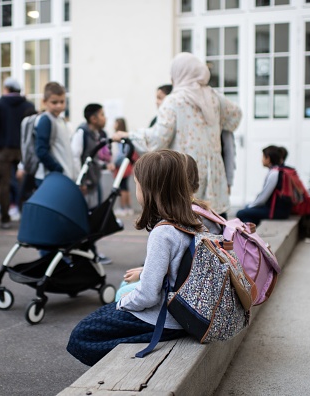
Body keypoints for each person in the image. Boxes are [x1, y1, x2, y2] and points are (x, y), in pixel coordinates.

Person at [67, 149, 198, 366]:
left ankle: (127, 364)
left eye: (137, 184)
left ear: (150, 190)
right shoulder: (191, 221)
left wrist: (121, 304)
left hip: (163, 319)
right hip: (181, 314)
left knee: (82, 335)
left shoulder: (162, 233)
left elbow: (147, 296)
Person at [114, 52, 242, 218]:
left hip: (185, 171)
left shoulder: (174, 101)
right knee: (214, 226)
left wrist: (129, 135)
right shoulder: (214, 97)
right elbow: (235, 117)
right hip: (214, 175)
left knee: (186, 223)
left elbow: (158, 139)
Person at [114, 153, 220, 301]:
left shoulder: (168, 228)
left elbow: (150, 293)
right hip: (194, 291)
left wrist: (142, 277)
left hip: (181, 297)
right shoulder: (197, 209)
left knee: (121, 292)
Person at [0, 77, 35, 229]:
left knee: (4, 184)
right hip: (23, 148)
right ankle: (26, 215)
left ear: (6, 88)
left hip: (5, 148)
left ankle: (5, 218)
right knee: (26, 182)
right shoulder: (28, 105)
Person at [71, 103, 113, 265]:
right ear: (93, 118)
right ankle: (87, 252)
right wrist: (79, 181)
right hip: (86, 184)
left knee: (94, 216)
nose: (105, 118)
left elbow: (93, 159)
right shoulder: (82, 133)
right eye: (102, 115)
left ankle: (91, 250)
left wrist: (103, 166)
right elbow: (75, 157)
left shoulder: (95, 133)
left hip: (94, 182)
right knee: (87, 217)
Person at [24, 82, 76, 186]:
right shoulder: (46, 120)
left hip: (60, 175)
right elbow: (41, 150)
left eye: (62, 101)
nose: (59, 105)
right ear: (44, 102)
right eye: (54, 102)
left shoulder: (60, 120)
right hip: (50, 177)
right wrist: (57, 169)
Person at [236, 145, 292, 226]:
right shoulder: (277, 171)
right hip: (280, 210)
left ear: (268, 159)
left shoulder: (274, 173)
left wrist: (251, 206)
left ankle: (249, 235)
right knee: (248, 214)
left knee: (241, 213)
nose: (261, 160)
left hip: (276, 211)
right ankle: (250, 235)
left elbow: (263, 197)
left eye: (263, 157)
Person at [111, 117, 136, 217]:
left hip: (122, 166)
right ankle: (128, 207)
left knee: (122, 187)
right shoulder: (126, 136)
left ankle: (123, 208)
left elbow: (121, 153)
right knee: (125, 187)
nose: (113, 125)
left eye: (115, 123)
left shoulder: (120, 137)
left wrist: (114, 162)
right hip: (127, 165)